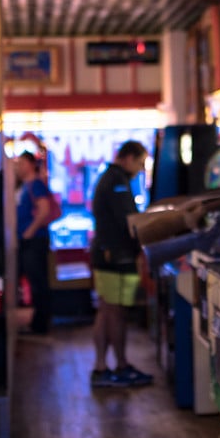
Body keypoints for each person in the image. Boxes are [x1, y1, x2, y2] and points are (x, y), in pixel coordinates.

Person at [87, 140, 151, 388]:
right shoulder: (116, 181)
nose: (140, 168)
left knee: (106, 311)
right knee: (115, 313)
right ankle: (120, 365)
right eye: (140, 162)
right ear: (127, 158)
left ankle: (102, 367)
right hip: (114, 256)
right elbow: (129, 222)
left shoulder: (111, 178)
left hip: (106, 255)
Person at [13, 151, 58, 335]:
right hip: (29, 240)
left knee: (38, 282)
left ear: (31, 164)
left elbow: (44, 209)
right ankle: (37, 323)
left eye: (22, 163)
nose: (18, 167)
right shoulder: (25, 185)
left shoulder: (36, 184)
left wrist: (29, 232)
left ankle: (41, 325)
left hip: (35, 240)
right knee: (34, 281)